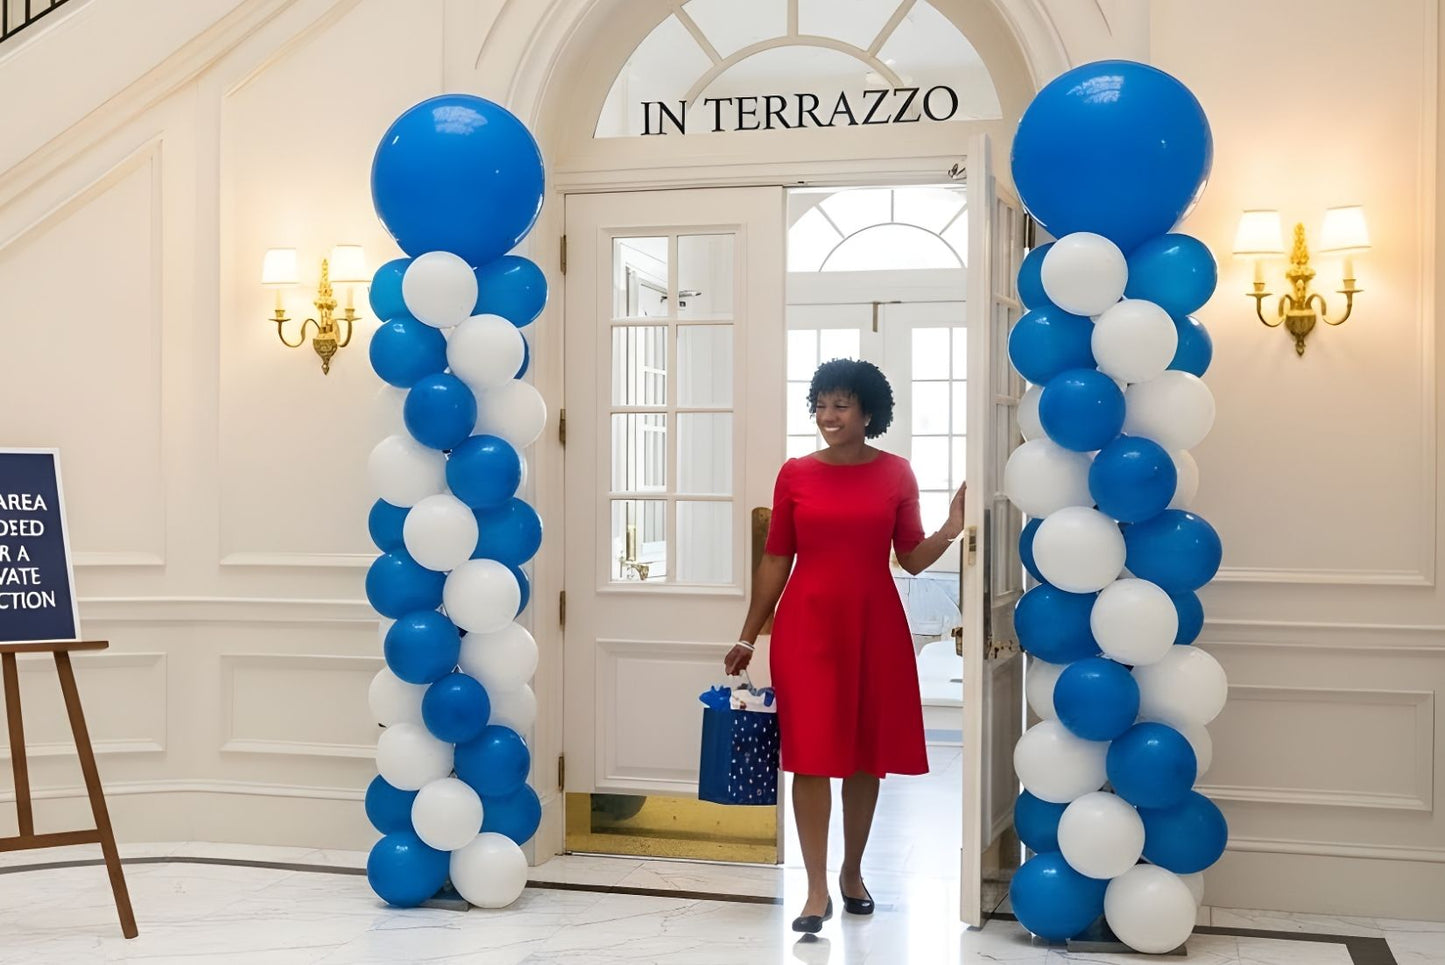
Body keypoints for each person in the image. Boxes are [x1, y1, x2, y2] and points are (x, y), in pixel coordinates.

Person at [726, 358, 966, 933]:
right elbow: (775, 558)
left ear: (868, 412)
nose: (828, 416)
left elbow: (909, 556)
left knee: (864, 758)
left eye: (841, 405)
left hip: (875, 625)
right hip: (806, 628)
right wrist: (747, 634)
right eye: (821, 404)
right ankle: (813, 891)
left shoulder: (898, 474)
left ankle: (852, 873)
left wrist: (953, 528)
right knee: (809, 758)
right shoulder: (795, 474)